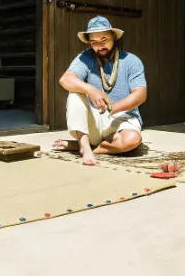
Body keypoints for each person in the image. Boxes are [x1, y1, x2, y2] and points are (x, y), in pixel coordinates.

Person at [55, 16, 147, 166]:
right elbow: (65, 79)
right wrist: (91, 90)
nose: (99, 45)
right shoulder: (86, 57)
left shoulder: (132, 60)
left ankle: (90, 148)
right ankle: (85, 148)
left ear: (114, 37)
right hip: (96, 117)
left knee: (132, 140)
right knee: (75, 94)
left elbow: (140, 95)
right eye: (94, 42)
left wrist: (113, 108)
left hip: (123, 118)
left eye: (104, 40)